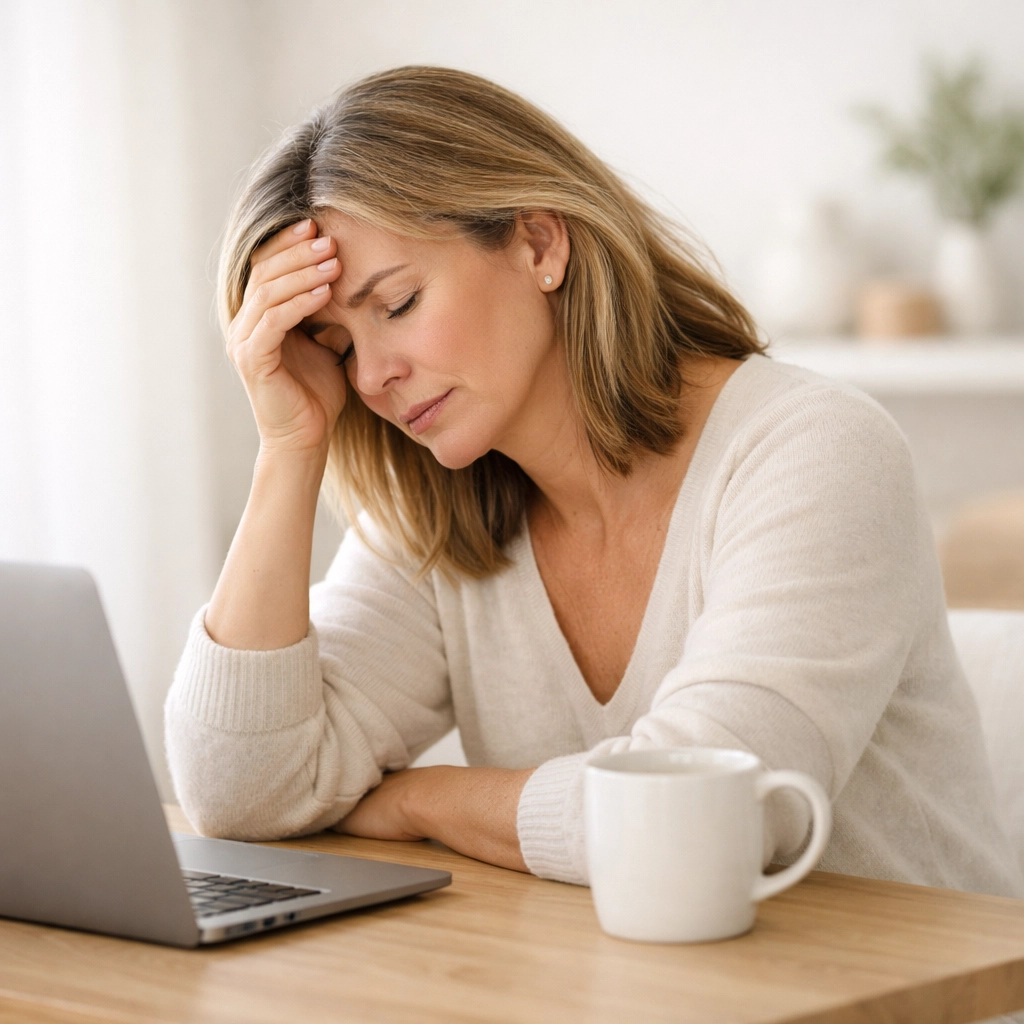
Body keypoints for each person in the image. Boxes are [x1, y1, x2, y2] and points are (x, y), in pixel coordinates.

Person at [165, 65, 1021, 896]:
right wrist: (289, 444)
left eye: (397, 305)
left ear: (539, 241)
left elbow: (708, 824)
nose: (371, 377)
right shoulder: (437, 514)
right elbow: (241, 795)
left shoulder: (814, 450)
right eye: (340, 347)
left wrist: (419, 798)